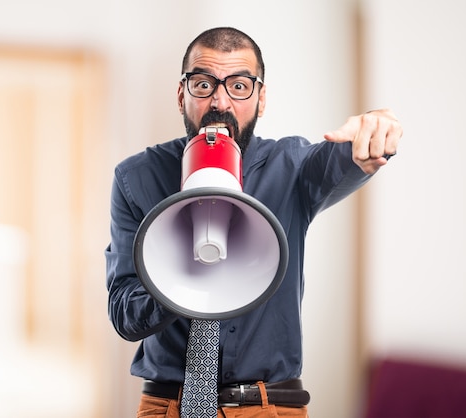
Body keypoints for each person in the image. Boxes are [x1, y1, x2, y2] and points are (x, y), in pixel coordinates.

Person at [105, 27, 402, 418]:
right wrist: (182, 278)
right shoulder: (136, 177)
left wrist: (373, 131)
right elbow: (125, 315)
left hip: (268, 407)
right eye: (203, 83)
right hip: (167, 406)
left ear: (261, 100)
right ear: (182, 94)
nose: (220, 101)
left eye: (240, 86)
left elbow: (344, 161)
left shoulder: (293, 167)